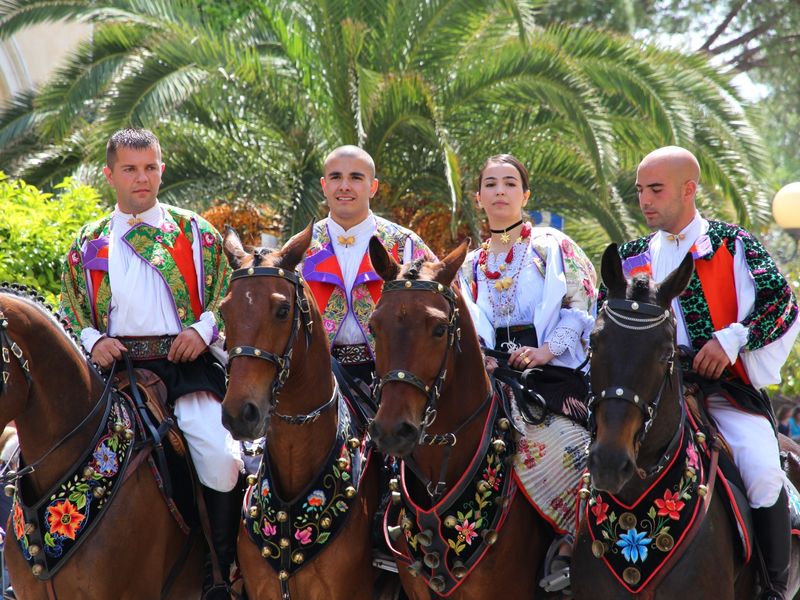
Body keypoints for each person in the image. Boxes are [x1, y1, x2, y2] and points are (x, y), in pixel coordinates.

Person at [60, 128, 243, 600]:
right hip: (113, 375)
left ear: (161, 169)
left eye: (150, 168)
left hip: (186, 369)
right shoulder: (88, 241)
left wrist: (202, 331)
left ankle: (221, 569)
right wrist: (91, 338)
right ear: (109, 175)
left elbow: (230, 296)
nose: (142, 179)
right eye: (130, 169)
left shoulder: (195, 232)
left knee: (221, 459)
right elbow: (72, 307)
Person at [615, 145, 800, 600]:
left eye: (656, 189)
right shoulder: (631, 256)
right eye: (640, 190)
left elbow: (783, 303)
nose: (645, 201)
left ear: (689, 189)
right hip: (647, 398)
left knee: (761, 470)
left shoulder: (734, 243)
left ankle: (774, 588)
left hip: (723, 393)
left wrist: (731, 339)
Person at [458, 154, 597, 593]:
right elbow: (462, 325)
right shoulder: (470, 264)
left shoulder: (552, 246)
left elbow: (581, 307)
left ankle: (574, 542)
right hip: (491, 375)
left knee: (569, 443)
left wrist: (544, 351)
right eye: (491, 184)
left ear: (525, 195)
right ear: (478, 197)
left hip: (550, 376)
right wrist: (481, 357)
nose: (500, 191)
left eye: (510, 183)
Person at [300, 145, 435, 383]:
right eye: (335, 177)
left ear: (373, 187)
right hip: (315, 379)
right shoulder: (300, 248)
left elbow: (446, 303)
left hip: (393, 377)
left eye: (355, 177)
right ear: (324, 186)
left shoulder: (406, 245)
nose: (344, 186)